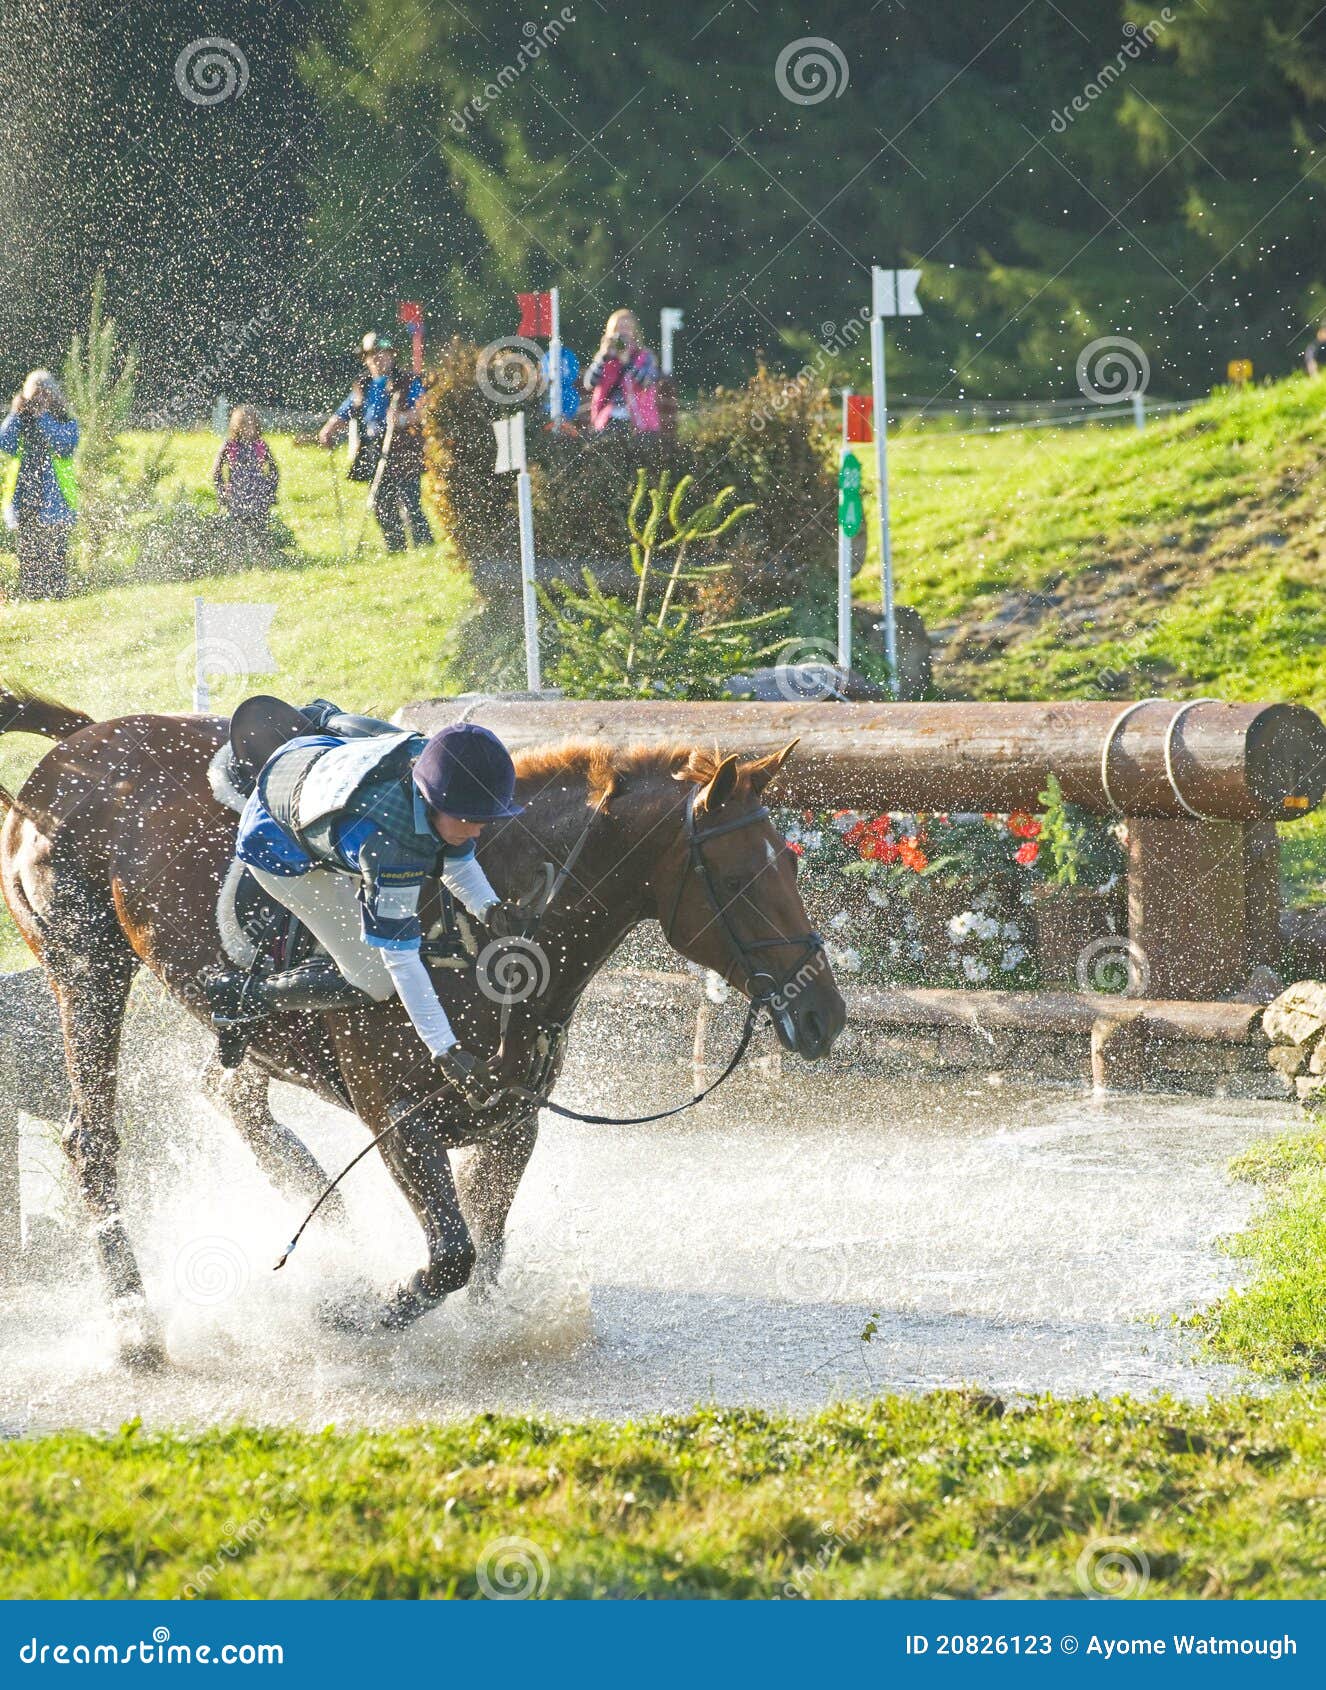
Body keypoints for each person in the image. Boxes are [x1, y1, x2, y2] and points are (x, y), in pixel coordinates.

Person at [207, 708, 536, 1105]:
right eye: (472, 817)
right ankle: (243, 995)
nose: (482, 827)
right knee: (374, 980)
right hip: (276, 847)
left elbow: (458, 858)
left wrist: (489, 908)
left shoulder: (433, 763)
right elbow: (401, 958)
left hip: (318, 759)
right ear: (434, 802)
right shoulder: (389, 848)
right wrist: (446, 1051)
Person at [319, 332, 433, 552]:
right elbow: (344, 412)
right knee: (382, 504)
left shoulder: (409, 382)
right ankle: (395, 549)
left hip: (402, 450)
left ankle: (424, 547)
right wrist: (329, 429)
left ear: (392, 355)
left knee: (410, 503)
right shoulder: (363, 386)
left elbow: (424, 410)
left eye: (383, 354)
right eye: (373, 355)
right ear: (366, 358)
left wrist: (402, 418)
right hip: (373, 449)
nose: (378, 359)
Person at [0, 370, 79, 598]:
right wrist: (17, 413)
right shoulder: (22, 419)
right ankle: (32, 595)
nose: (41, 398)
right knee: (28, 554)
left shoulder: (63, 418)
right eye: (36, 394)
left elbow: (64, 444)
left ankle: (57, 596)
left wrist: (42, 416)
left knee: (55, 554)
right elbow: (5, 442)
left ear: (53, 395)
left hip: (56, 502)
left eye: (45, 394)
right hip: (25, 498)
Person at [584, 309, 660, 434]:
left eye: (627, 328)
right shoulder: (605, 358)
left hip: (640, 422)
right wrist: (603, 356)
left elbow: (647, 383)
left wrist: (628, 364)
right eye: (618, 328)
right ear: (611, 333)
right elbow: (589, 383)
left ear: (635, 333)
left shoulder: (645, 356)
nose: (623, 332)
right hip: (607, 419)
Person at [212, 405, 279, 527]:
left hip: (258, 496)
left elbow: (274, 470)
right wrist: (222, 492)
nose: (247, 428)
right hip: (236, 496)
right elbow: (216, 471)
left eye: (250, 423)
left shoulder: (261, 445)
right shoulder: (230, 446)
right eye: (243, 424)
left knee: (259, 527)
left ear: (256, 425)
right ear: (236, 425)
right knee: (237, 528)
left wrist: (270, 492)